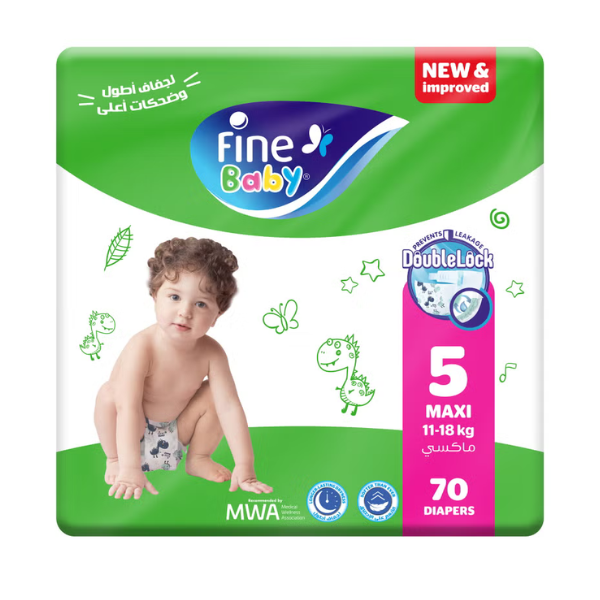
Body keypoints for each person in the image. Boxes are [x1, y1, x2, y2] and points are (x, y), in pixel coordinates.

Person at [94, 237, 272, 500]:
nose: (185, 312)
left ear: (217, 315)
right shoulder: (142, 346)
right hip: (129, 438)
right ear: (155, 296)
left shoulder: (212, 353)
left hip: (175, 436)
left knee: (216, 393)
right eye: (175, 297)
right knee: (109, 393)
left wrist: (245, 467)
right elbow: (127, 407)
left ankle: (198, 457)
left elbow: (229, 408)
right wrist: (130, 468)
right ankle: (114, 460)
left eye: (201, 304)